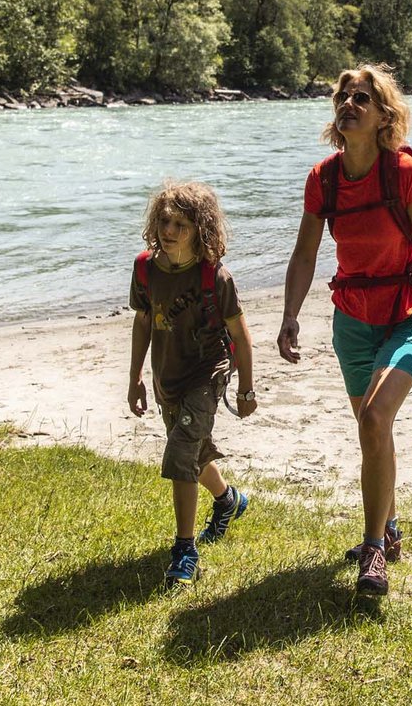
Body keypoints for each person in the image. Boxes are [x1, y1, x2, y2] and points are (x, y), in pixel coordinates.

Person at [277, 64, 412, 597]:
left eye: (362, 99)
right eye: (344, 97)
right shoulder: (323, 178)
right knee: (372, 429)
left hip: (406, 312)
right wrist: (289, 315)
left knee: (375, 418)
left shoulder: (403, 173)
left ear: (384, 117)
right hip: (351, 319)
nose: (349, 104)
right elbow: (305, 253)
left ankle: (373, 548)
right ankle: (391, 528)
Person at [127, 181, 258, 589]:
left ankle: (184, 551)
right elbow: (143, 321)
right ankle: (228, 501)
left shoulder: (214, 275)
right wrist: (134, 377)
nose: (170, 231)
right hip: (167, 374)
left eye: (181, 224)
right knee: (194, 453)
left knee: (180, 451)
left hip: (208, 372)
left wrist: (246, 388)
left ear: (200, 229)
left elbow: (240, 333)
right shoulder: (145, 269)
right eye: (165, 221)